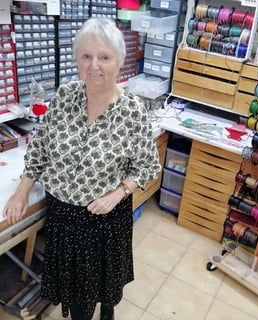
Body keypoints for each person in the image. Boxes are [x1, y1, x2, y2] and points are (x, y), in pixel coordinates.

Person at [2, 17, 161, 320]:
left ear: (119, 61)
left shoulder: (131, 112)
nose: (94, 65)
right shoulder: (64, 97)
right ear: (77, 59)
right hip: (63, 217)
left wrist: (118, 194)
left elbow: (147, 165)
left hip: (104, 219)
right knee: (77, 297)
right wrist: (22, 192)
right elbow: (40, 147)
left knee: (105, 283)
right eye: (86, 56)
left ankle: (108, 309)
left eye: (104, 57)